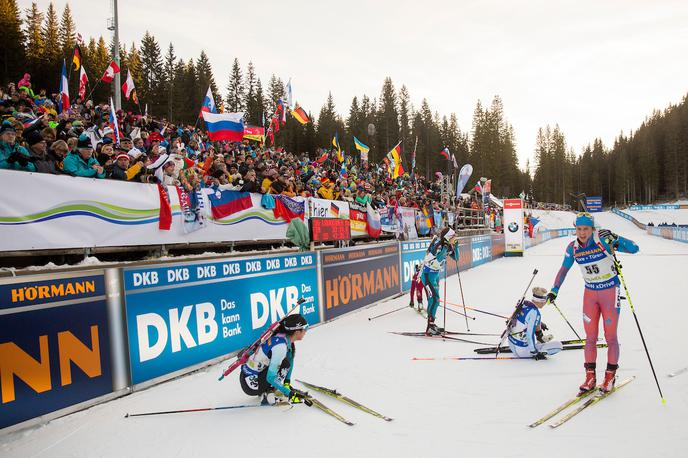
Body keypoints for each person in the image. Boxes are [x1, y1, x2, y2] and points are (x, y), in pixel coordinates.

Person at [547, 212, 639, 393]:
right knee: (589, 338)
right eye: (579, 229)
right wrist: (554, 290)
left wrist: (616, 238)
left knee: (610, 336)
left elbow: (635, 248)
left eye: (586, 229)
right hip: (590, 294)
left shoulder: (603, 240)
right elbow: (563, 269)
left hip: (610, 291)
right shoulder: (572, 247)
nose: (582, 233)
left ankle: (610, 377)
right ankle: (590, 377)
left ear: (592, 229)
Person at [239, 314, 310, 405]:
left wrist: (286, 384)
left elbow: (290, 360)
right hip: (250, 384)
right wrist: (290, 394)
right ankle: (267, 393)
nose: (306, 332)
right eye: (305, 328)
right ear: (296, 332)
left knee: (285, 363)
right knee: (284, 364)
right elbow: (270, 377)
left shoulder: (284, 337)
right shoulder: (280, 347)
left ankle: (274, 388)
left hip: (251, 375)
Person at [421, 227, 459, 335]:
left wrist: (456, 247)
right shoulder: (438, 244)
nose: (455, 238)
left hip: (435, 274)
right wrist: (446, 247)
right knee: (434, 299)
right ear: (448, 237)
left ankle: (431, 324)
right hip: (427, 275)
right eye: (453, 237)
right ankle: (430, 326)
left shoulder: (447, 245)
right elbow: (439, 258)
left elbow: (456, 258)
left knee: (434, 300)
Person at [507, 287, 563, 359]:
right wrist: (534, 352)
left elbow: (524, 320)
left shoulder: (524, 304)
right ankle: (539, 348)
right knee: (558, 345)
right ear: (541, 301)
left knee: (536, 323)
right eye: (545, 301)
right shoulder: (534, 313)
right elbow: (529, 335)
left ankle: (541, 339)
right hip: (523, 352)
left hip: (512, 346)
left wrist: (539, 323)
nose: (545, 303)